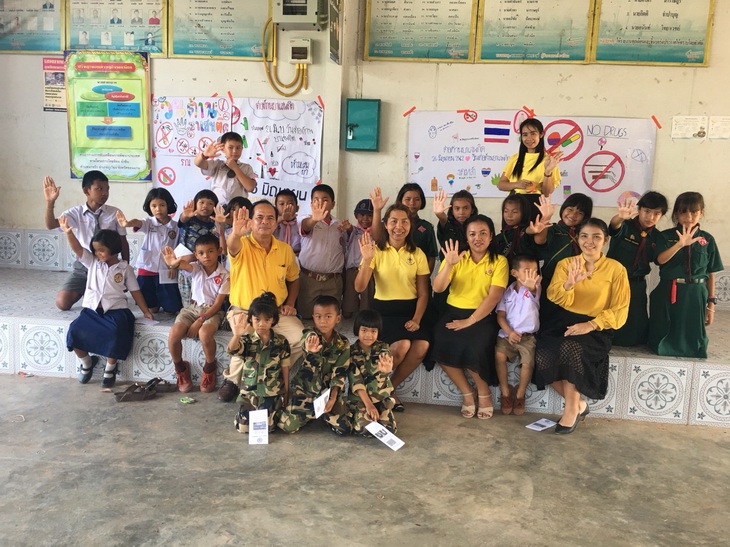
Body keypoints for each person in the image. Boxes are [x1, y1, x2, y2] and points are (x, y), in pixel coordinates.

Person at [534, 218, 630, 434]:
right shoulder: (566, 264)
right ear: (577, 239)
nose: (589, 241)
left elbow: (620, 309)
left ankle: (570, 411)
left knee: (571, 348)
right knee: (541, 354)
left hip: (596, 326)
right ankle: (579, 405)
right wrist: (569, 283)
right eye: (584, 236)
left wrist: (591, 324)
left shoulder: (616, 269)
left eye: (596, 236)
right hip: (563, 320)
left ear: (605, 240)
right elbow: (555, 296)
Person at [219, 202, 304, 402]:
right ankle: (232, 380)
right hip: (244, 311)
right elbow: (231, 246)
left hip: (276, 313)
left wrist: (290, 303)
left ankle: (272, 371)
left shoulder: (285, 249)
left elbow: (294, 279)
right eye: (259, 217)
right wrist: (235, 233)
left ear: (276, 222)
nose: (265, 222)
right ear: (251, 220)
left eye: (270, 218)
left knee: (301, 338)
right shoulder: (242, 243)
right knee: (246, 338)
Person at [59, 218, 153, 388]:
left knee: (115, 334)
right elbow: (77, 248)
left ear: (114, 249)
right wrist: (69, 233)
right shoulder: (92, 262)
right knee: (74, 331)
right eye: (95, 250)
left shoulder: (125, 268)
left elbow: (135, 291)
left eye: (101, 250)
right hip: (92, 311)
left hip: (116, 311)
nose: (98, 254)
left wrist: (145, 310)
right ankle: (87, 363)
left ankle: (110, 368)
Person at [432, 214, 508, 419]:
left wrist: (470, 321)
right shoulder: (457, 257)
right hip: (453, 312)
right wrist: (449, 264)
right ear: (466, 237)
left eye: (483, 233)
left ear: (491, 236)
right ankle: (467, 392)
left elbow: (494, 296)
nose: (478, 238)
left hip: (482, 315)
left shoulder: (499, 261)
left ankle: (483, 391)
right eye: (472, 234)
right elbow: (438, 288)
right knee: (440, 340)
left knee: (474, 345)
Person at [355, 204, 430, 412]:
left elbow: (424, 294)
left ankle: (388, 388)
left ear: (410, 225)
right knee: (403, 345)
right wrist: (367, 260)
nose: (399, 226)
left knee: (422, 345)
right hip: (384, 311)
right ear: (386, 225)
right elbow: (359, 287)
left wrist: (416, 319)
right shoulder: (375, 251)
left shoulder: (418, 254)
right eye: (394, 221)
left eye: (404, 221)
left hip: (410, 311)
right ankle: (378, 387)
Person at [648, 192, 723, 358]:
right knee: (664, 332)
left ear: (701, 213)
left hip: (696, 292)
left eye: (694, 212)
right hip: (669, 289)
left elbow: (711, 272)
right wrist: (679, 245)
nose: (688, 217)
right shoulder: (666, 236)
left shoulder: (707, 239)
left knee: (693, 335)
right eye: (683, 212)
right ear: (676, 214)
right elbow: (659, 260)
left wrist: (711, 304)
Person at [44, 172, 129, 311]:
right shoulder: (75, 213)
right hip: (84, 266)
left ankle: (96, 290)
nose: (104, 193)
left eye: (107, 189)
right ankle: (88, 289)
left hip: (109, 265)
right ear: (86, 191)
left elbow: (123, 242)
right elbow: (51, 225)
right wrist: (50, 202)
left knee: (103, 306)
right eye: (99, 188)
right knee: (62, 303)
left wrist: (125, 268)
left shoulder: (115, 213)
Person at [161, 234, 230, 393]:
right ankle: (180, 368)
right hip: (192, 308)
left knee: (204, 334)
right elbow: (185, 265)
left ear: (219, 251)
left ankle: (209, 367)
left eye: (210, 251)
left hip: (213, 311)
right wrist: (174, 263)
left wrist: (199, 321)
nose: (206, 256)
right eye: (201, 253)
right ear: (196, 255)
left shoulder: (225, 275)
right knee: (174, 335)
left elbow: (218, 305)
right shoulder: (196, 268)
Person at [278, 295, 351, 435]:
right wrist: (311, 351)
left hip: (327, 393)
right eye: (318, 316)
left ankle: (322, 414)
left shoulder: (343, 343)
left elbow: (340, 372)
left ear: (338, 318)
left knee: (343, 429)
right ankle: (311, 413)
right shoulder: (310, 335)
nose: (323, 321)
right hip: (306, 391)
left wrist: (333, 397)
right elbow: (307, 340)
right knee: (286, 426)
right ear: (313, 317)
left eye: (328, 316)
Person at [607, 191, 669, 347]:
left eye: (657, 213)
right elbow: (613, 227)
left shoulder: (658, 237)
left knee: (635, 322)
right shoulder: (625, 226)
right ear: (639, 209)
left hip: (637, 283)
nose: (651, 217)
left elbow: (658, 260)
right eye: (647, 211)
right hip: (614, 282)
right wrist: (620, 217)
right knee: (611, 316)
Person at [229, 292, 291, 433]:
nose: (261, 324)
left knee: (267, 429)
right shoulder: (246, 340)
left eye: (267, 320)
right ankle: (244, 413)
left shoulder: (281, 342)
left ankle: (274, 410)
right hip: (250, 392)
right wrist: (236, 335)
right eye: (257, 319)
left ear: (273, 320)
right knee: (243, 428)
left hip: (271, 392)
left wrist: (286, 391)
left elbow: (285, 366)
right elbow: (233, 350)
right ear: (251, 319)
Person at [116, 188, 182, 314]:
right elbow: (137, 222)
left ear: (169, 205)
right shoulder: (148, 223)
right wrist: (128, 223)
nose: (158, 209)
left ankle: (167, 304)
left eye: (162, 205)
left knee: (171, 310)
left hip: (167, 269)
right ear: (149, 207)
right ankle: (154, 304)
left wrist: (174, 266)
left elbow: (178, 248)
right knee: (152, 309)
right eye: (154, 206)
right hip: (147, 268)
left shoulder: (176, 226)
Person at [495, 254, 541, 415]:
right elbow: (500, 316)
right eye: (527, 271)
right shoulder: (506, 292)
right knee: (499, 356)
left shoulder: (535, 288)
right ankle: (506, 392)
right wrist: (509, 332)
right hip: (507, 335)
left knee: (527, 363)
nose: (532, 275)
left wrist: (531, 286)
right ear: (514, 273)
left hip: (527, 337)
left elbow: (533, 290)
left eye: (535, 271)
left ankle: (520, 395)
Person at [297, 184, 348, 319]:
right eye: (316, 200)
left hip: (333, 281)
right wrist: (315, 219)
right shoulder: (305, 219)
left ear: (333, 204)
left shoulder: (339, 225)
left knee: (330, 319)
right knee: (306, 317)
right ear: (311, 204)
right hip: (309, 279)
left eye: (325, 200)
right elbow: (305, 228)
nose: (320, 203)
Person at [498, 118, 563, 220]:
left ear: (541, 134)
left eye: (533, 133)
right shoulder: (515, 158)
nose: (529, 138)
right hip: (513, 205)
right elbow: (501, 185)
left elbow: (547, 193)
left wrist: (548, 171)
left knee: (534, 230)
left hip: (535, 205)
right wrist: (517, 184)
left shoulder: (549, 160)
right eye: (525, 134)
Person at [348, 309, 397, 436]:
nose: (368, 335)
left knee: (389, 430)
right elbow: (356, 382)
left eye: (373, 331)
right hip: (361, 399)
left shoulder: (383, 347)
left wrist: (387, 371)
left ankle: (387, 405)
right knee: (363, 430)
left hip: (380, 397)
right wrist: (369, 405)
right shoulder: (351, 352)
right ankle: (356, 413)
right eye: (364, 330)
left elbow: (385, 362)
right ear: (357, 330)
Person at [370, 184, 438, 272]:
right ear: (400, 200)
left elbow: (431, 257)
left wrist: (424, 276)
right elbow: (376, 238)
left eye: (417, 199)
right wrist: (377, 210)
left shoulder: (426, 227)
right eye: (407, 199)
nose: (412, 203)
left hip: (418, 274)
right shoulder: (391, 223)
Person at [177, 190, 219, 305]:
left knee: (202, 297)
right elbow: (182, 220)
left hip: (203, 268)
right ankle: (188, 312)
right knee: (187, 297)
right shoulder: (188, 219)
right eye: (202, 202)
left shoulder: (214, 225)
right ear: (196, 204)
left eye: (210, 203)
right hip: (184, 266)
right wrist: (185, 215)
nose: (205, 206)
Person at [195, 132, 256, 206]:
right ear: (223, 148)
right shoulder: (217, 164)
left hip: (238, 208)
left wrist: (235, 168)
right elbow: (198, 163)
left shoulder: (247, 167)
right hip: (217, 207)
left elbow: (250, 187)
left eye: (238, 148)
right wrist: (204, 155)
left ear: (242, 149)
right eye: (230, 147)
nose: (234, 151)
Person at [343, 199, 374, 318]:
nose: (365, 218)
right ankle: (349, 312)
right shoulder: (354, 230)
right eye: (362, 215)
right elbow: (350, 230)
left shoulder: (375, 233)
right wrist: (348, 227)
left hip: (368, 270)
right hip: (352, 269)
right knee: (348, 305)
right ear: (356, 215)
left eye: (370, 215)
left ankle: (363, 317)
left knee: (367, 300)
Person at [496, 193, 534, 263]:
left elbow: (528, 231)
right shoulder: (503, 233)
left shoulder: (524, 232)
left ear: (524, 213)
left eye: (514, 212)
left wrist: (533, 230)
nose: (509, 215)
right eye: (506, 211)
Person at [273, 189, 301, 254]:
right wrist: (282, 218)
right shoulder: (274, 222)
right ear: (276, 208)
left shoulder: (301, 223)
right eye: (282, 204)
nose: (286, 206)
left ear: (297, 208)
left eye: (290, 203)